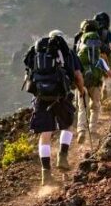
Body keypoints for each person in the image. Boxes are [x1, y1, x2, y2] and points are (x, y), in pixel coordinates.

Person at [24, 30, 85, 185]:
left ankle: (46, 174)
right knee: (68, 126)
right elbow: (78, 76)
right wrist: (82, 91)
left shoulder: (37, 53)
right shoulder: (68, 53)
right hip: (60, 96)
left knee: (45, 135)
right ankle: (62, 156)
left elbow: (28, 75)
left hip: (41, 98)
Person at [75, 22, 111, 143]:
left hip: (81, 83)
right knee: (95, 107)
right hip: (96, 83)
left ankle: (81, 131)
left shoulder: (79, 53)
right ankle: (92, 130)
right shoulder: (99, 59)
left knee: (82, 108)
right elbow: (110, 75)